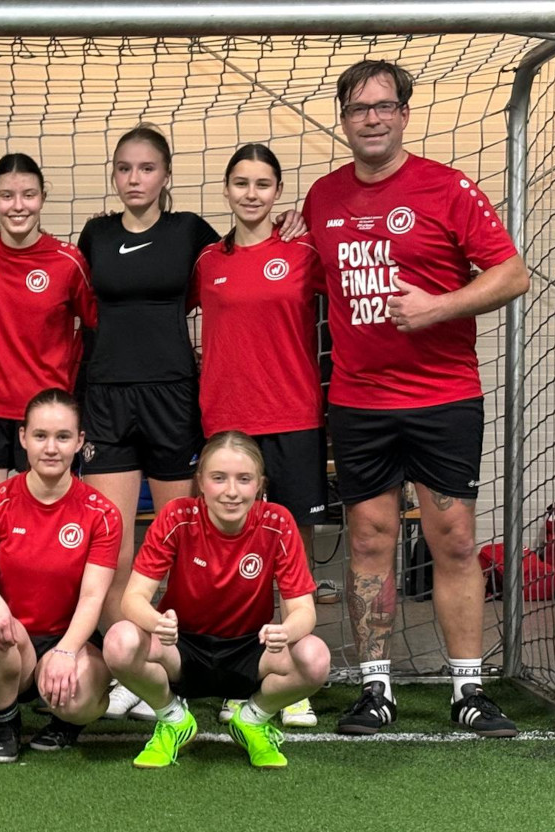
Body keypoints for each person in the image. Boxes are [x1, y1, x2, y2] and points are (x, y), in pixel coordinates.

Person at [301, 59, 530, 736]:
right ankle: (375, 691)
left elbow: (512, 273)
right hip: (359, 401)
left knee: (453, 540)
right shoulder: (322, 197)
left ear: (404, 113)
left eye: (383, 106)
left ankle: (468, 689)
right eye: (358, 109)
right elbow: (311, 276)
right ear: (343, 120)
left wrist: (440, 307)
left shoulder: (447, 188)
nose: (371, 118)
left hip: (443, 397)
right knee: (369, 543)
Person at [78, 125, 302, 720]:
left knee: (178, 544)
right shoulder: (95, 236)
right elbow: (78, 319)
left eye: (147, 169)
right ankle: (131, 671)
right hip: (106, 399)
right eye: (124, 168)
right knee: (116, 544)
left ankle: (183, 669)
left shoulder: (192, 236)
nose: (135, 179)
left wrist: (293, 231)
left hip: (175, 397)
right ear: (114, 174)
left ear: (167, 176)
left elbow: (247, 264)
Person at [190, 143, 328, 729]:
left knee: (289, 559)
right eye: (241, 183)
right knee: (232, 559)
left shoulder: (303, 252)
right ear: (226, 190)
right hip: (226, 423)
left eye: (264, 184)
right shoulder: (205, 263)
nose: (252, 193)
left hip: (294, 417)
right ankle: (233, 677)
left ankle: (287, 679)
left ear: (278, 192)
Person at [103, 431, 330, 769]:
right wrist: (157, 623)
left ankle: (252, 720)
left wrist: (287, 631)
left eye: (244, 479)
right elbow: (133, 598)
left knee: (315, 657)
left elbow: (303, 612)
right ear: (201, 482)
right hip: (182, 647)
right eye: (219, 478)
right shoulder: (177, 517)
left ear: (260, 484)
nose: (231, 491)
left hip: (250, 651)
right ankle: (173, 719)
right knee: (119, 641)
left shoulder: (278, 522)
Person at [0, 389, 121, 763]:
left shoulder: (102, 514)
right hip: (12, 640)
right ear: (23, 438)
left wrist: (66, 649)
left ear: (80, 442)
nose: (51, 448)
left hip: (70, 640)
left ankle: (66, 723)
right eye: (40, 436)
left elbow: (93, 597)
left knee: (83, 697)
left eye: (63, 437)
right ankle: (6, 725)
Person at [0, 153, 98, 509]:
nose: (18, 206)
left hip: (45, 413)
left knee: (41, 530)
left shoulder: (68, 261)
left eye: (28, 195)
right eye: (6, 196)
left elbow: (95, 326)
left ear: (42, 198)